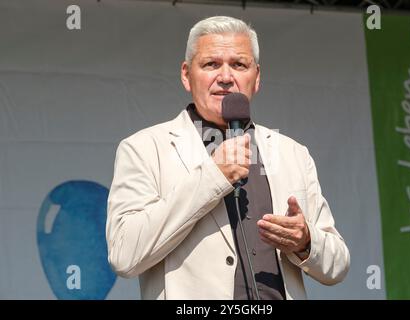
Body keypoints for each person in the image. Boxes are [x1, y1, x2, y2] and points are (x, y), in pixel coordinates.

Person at [106, 16, 350, 300]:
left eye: (239, 65)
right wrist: (213, 176)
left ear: (256, 78)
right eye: (211, 64)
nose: (225, 77)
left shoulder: (292, 153)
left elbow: (338, 265)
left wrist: (306, 241)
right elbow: (124, 255)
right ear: (186, 75)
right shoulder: (144, 148)